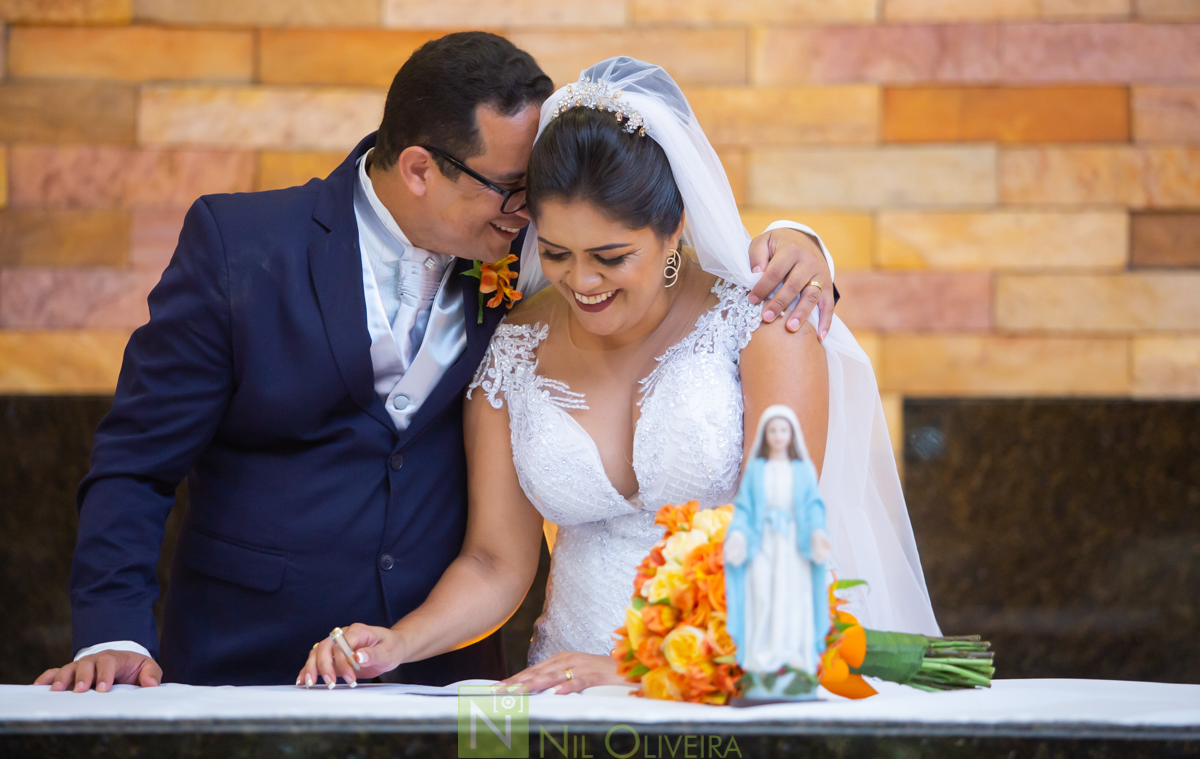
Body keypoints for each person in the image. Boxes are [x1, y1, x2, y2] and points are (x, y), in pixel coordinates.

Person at [35, 36, 835, 692]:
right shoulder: (241, 247)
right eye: (514, 192)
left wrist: (806, 247)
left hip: (464, 679)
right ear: (420, 169)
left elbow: (640, 216)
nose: (531, 224)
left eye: (534, 195)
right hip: (248, 656)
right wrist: (112, 633)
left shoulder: (539, 252)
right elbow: (136, 460)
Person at [298, 58, 938, 694]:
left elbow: (778, 542)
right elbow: (495, 563)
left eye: (611, 256)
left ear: (673, 228)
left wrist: (637, 673)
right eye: (556, 253)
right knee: (485, 734)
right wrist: (400, 641)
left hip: (731, 686)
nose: (582, 281)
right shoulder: (513, 347)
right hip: (564, 686)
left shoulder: (763, 325)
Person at [725, 405, 830, 699]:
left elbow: (813, 505)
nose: (779, 435)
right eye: (773, 430)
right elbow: (744, 508)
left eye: (783, 430)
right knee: (762, 596)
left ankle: (793, 658)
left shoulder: (802, 470)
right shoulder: (757, 471)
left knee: (793, 598)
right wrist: (738, 535)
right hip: (763, 544)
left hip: (794, 545)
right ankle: (762, 661)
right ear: (766, 435)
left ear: (792, 434)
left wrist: (817, 532)